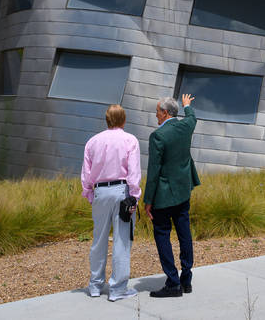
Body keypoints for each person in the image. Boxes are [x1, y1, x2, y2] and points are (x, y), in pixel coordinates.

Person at [81, 104, 141, 302]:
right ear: (123, 120)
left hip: (100, 192)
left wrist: (90, 194)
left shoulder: (92, 141)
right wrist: (135, 195)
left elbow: (86, 174)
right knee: (122, 241)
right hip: (122, 191)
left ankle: (95, 285)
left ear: (107, 120)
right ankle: (117, 289)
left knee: (98, 240)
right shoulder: (130, 140)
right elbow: (133, 172)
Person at [143, 93, 200, 298]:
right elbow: (192, 118)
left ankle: (173, 283)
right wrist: (187, 106)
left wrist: (148, 201)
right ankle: (186, 279)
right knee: (185, 233)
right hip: (183, 191)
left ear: (165, 113)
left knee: (162, 235)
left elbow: (153, 172)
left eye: (157, 111)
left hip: (164, 196)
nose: (155, 115)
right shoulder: (186, 126)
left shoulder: (158, 136)